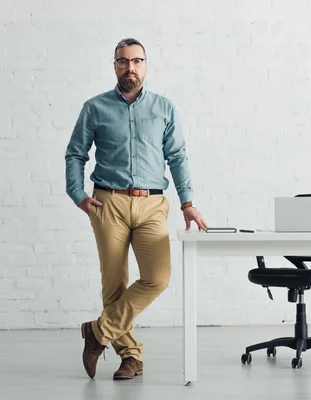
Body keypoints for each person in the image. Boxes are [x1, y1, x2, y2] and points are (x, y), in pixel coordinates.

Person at [65, 38, 208, 380]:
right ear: (114, 65)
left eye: (137, 61)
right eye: (123, 61)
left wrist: (187, 203)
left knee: (157, 277)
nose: (130, 67)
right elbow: (75, 154)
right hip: (108, 202)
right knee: (114, 285)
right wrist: (78, 194)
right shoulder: (94, 108)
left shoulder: (164, 108)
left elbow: (177, 157)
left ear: (146, 65)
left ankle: (97, 332)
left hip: (152, 204)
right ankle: (131, 356)